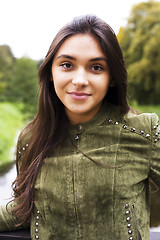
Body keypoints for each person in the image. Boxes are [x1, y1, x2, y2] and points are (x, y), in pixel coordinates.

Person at [0, 14, 160, 240]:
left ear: (112, 77)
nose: (80, 80)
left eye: (96, 67)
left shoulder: (143, 131)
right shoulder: (30, 138)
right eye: (67, 65)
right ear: (51, 73)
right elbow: (24, 209)